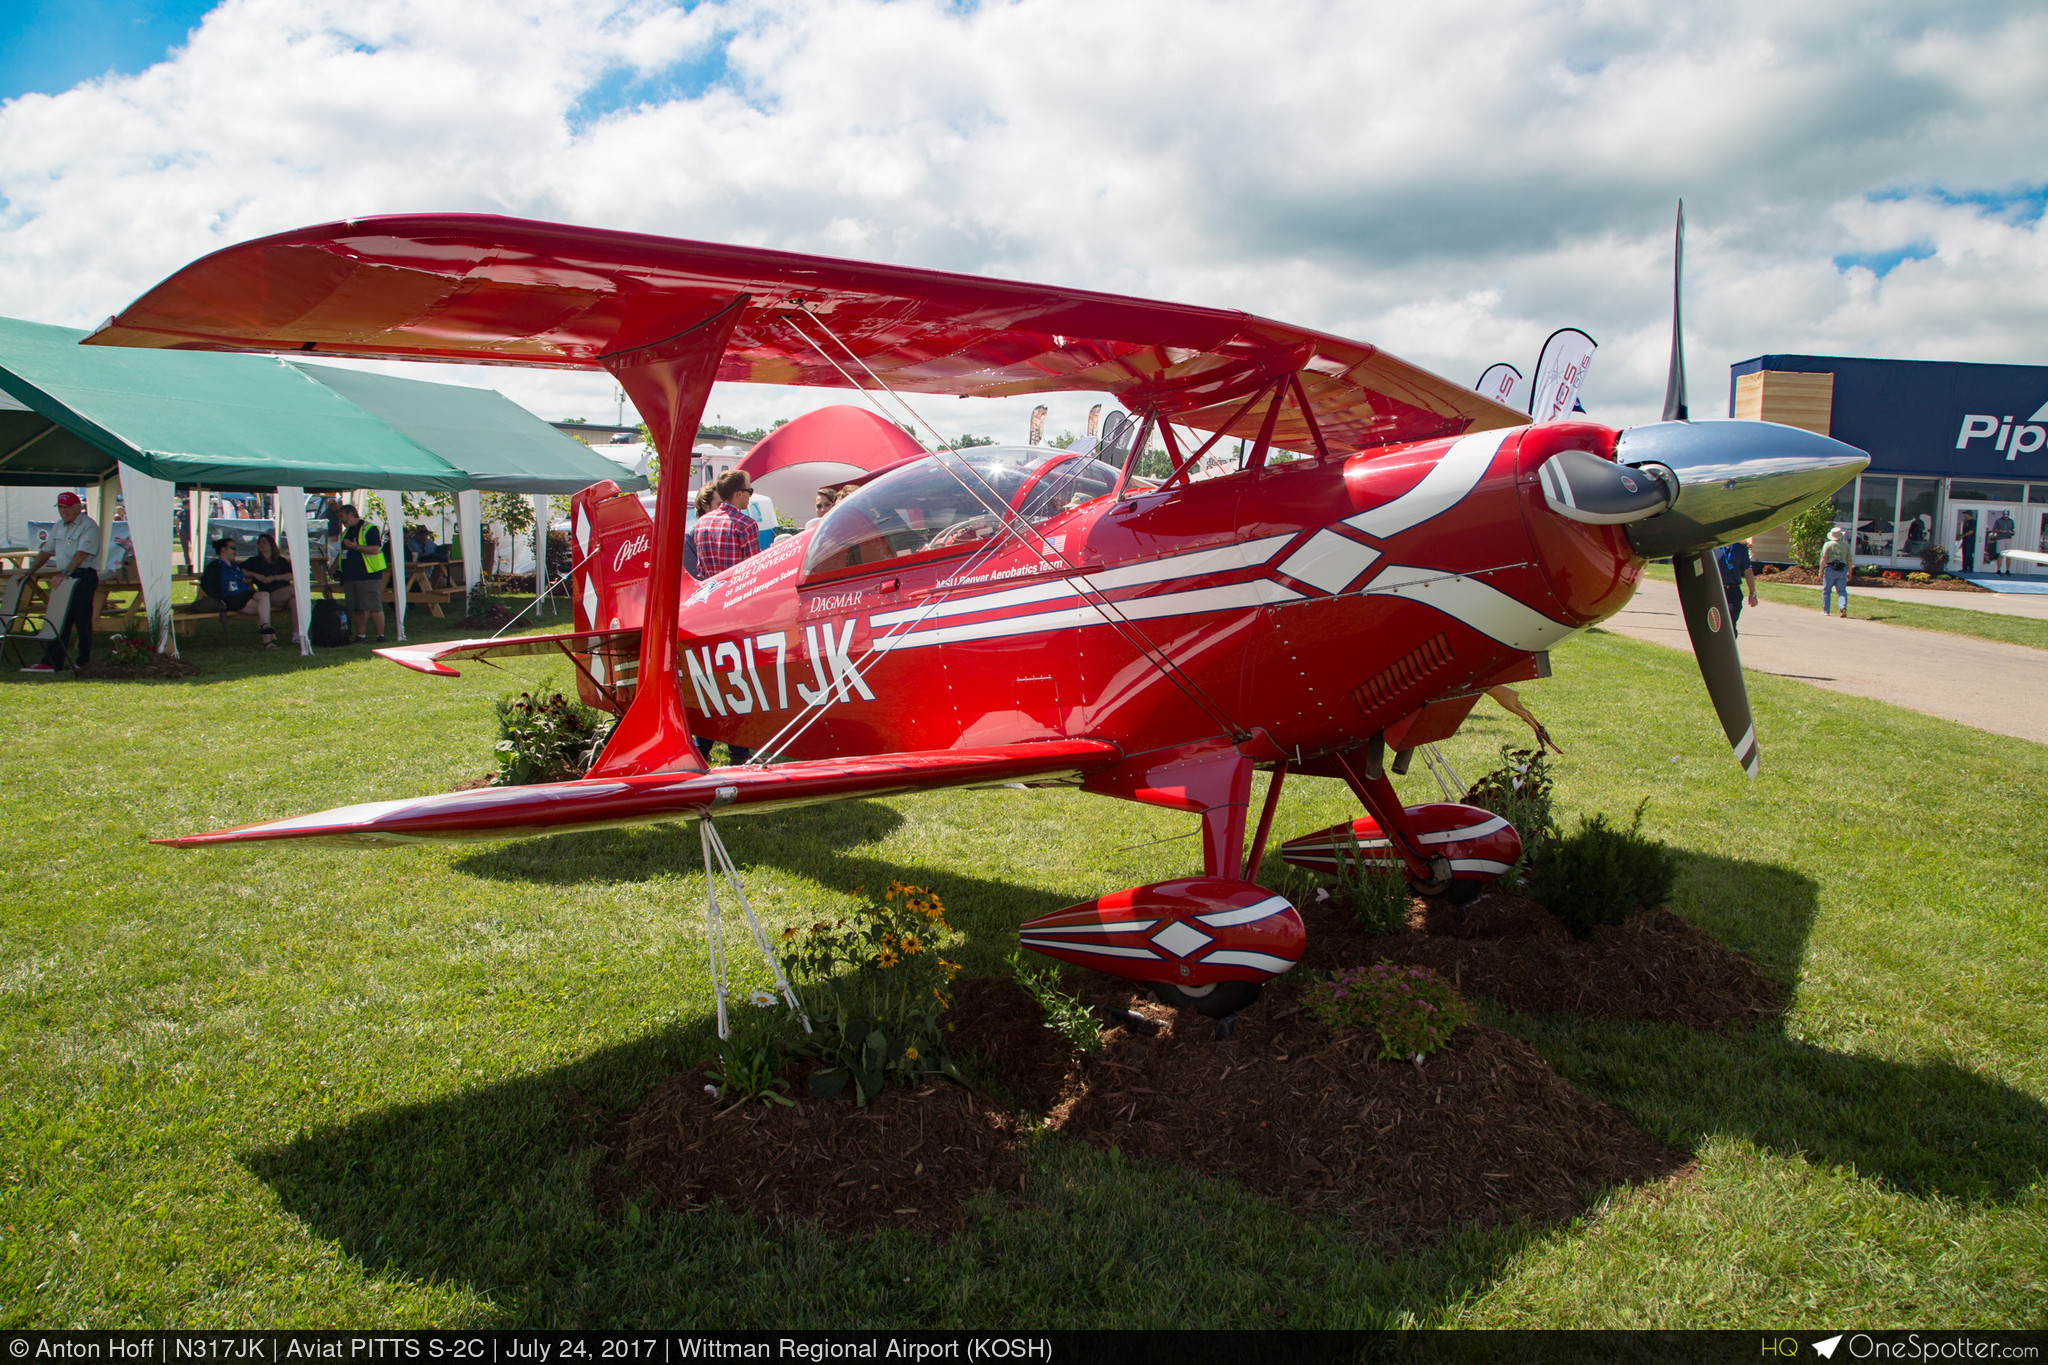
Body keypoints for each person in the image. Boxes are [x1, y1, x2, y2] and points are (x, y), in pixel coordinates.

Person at [16, 491, 99, 673]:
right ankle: (52, 662)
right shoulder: (59, 526)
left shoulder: (88, 526)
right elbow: (47, 551)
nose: (63, 511)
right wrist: (29, 572)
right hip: (64, 578)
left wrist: (65, 573)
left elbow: (81, 554)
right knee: (59, 620)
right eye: (60, 507)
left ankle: (83, 661)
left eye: (67, 507)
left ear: (78, 507)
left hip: (82, 576)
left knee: (82, 620)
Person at [691, 471, 761, 579]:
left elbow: (701, 568)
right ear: (739, 494)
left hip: (710, 587)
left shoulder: (702, 522)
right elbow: (754, 568)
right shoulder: (746, 525)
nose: (750, 496)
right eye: (750, 491)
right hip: (737, 588)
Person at [334, 503, 387, 643]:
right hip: (351, 576)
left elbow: (375, 549)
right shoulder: (346, 531)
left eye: (342, 516)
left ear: (351, 514)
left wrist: (356, 547)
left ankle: (380, 636)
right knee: (357, 607)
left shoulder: (368, 529)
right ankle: (360, 636)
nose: (341, 520)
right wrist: (334, 567)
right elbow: (342, 552)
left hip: (368, 574)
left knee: (374, 606)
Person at [242, 532, 297, 646]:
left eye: (264, 542)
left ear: (271, 545)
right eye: (259, 543)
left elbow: (291, 575)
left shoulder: (280, 561)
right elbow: (240, 570)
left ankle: (297, 635)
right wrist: (256, 575)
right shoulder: (254, 561)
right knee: (294, 590)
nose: (261, 545)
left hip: (284, 592)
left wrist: (274, 577)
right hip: (269, 595)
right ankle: (309, 608)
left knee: (294, 601)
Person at [1715, 536, 1760, 633]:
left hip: (1733, 592)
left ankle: (1729, 641)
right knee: (1716, 624)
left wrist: (1753, 593)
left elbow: (1748, 572)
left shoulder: (1740, 549)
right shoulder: (1714, 548)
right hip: (1717, 591)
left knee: (1730, 624)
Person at [1818, 525, 1852, 617]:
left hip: (1830, 568)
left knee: (1826, 590)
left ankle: (1826, 611)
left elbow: (1824, 558)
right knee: (1841, 591)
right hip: (1842, 569)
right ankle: (1842, 606)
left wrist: (1820, 570)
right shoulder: (1845, 546)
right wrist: (1850, 572)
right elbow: (1849, 560)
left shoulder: (1827, 545)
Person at [1989, 510, 2015, 577]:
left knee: (2009, 555)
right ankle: (1998, 570)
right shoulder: (1998, 521)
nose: (2005, 516)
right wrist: (2000, 531)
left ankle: (2007, 570)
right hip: (2000, 539)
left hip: (2008, 538)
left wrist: (2012, 532)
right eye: (2005, 514)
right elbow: (1994, 530)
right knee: (2000, 555)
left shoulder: (2011, 521)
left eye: (2007, 515)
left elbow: (2012, 530)